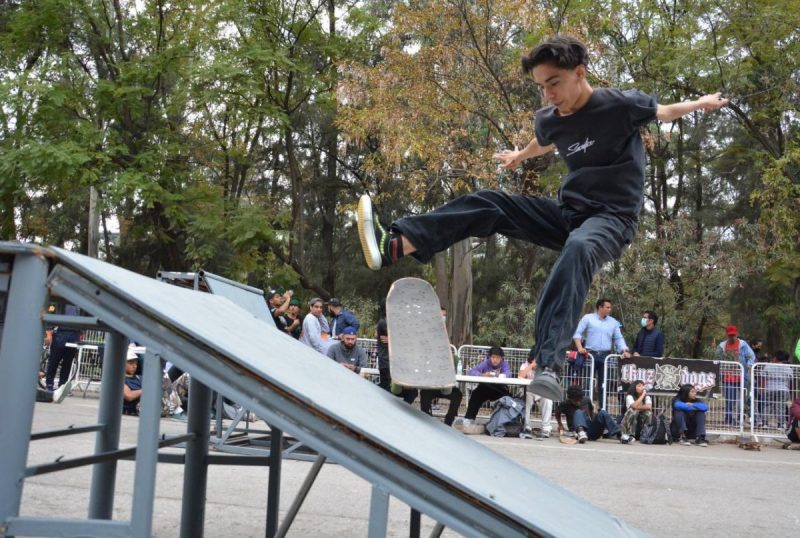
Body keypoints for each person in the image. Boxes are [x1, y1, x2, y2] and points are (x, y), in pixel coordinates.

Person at [355, 35, 728, 402]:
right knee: (492, 203)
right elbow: (545, 141)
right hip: (569, 215)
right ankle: (399, 242)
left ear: (579, 73)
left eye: (554, 84)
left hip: (613, 220)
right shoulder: (550, 118)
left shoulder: (618, 105)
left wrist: (701, 102)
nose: (548, 95)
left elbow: (664, 111)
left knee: (579, 249)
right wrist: (520, 155)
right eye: (541, 87)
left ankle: (548, 364)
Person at [573, 298, 630, 399]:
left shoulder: (613, 322)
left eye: (610, 307)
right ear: (600, 307)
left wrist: (624, 350)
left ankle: (603, 409)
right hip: (590, 355)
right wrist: (580, 347)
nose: (609, 309)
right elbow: (577, 333)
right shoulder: (588, 318)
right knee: (587, 382)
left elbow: (618, 338)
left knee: (604, 384)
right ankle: (586, 409)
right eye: (607, 307)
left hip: (606, 356)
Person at [714, 325, 756, 425]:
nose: (732, 337)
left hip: (742, 375)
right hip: (728, 376)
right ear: (727, 335)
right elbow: (716, 357)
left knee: (745, 398)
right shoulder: (722, 346)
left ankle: (742, 418)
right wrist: (722, 358)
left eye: (733, 335)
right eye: (730, 335)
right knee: (729, 399)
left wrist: (749, 366)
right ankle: (728, 419)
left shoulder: (743, 344)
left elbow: (751, 356)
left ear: (737, 334)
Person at [555, 384, 621, 443]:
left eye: (579, 400)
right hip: (576, 431)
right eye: (575, 401)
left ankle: (620, 435)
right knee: (578, 412)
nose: (578, 403)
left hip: (590, 430)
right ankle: (581, 432)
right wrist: (560, 424)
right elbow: (557, 412)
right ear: (570, 399)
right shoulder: (565, 404)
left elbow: (591, 410)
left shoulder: (586, 400)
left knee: (602, 412)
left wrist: (594, 422)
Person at [463, 347, 512, 425]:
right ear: (489, 357)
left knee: (509, 398)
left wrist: (501, 375)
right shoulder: (486, 363)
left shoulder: (504, 363)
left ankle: (506, 423)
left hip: (499, 389)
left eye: (498, 358)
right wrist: (482, 375)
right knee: (475, 394)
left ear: (502, 358)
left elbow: (508, 373)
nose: (495, 360)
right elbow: (471, 371)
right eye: (493, 357)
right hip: (485, 388)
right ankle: (469, 419)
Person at [44, 304, 81, 392]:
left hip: (74, 334)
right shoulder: (60, 299)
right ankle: (49, 385)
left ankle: (62, 386)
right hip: (60, 332)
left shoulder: (80, 303)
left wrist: (81, 335)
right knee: (54, 361)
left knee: (68, 363)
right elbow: (50, 313)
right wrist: (49, 333)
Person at [518, 353, 553, 439]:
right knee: (527, 399)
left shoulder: (545, 366)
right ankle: (526, 426)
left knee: (548, 400)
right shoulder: (525, 365)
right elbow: (520, 376)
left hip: (541, 390)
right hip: (528, 390)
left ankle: (546, 428)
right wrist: (531, 366)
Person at [761, 351, 793, 428]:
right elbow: (791, 379)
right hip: (783, 389)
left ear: (775, 358)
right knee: (781, 406)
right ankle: (781, 424)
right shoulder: (788, 368)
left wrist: (761, 388)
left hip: (769, 389)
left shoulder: (767, 366)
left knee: (767, 405)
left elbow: (763, 378)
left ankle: (765, 423)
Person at [123, 349, 143, 415]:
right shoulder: (119, 379)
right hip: (133, 410)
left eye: (136, 363)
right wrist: (146, 391)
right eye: (131, 363)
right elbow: (129, 396)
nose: (134, 366)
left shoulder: (139, 377)